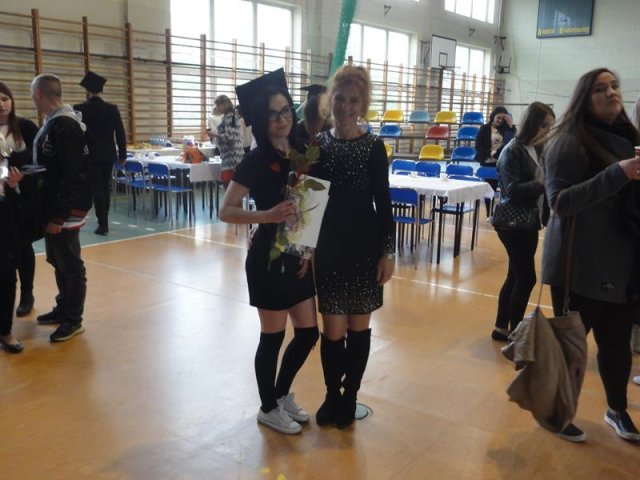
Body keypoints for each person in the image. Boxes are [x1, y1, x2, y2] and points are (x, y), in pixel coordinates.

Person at [542, 68, 640, 442]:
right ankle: (556, 413)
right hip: (578, 266)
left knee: (617, 347)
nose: (611, 92)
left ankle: (617, 410)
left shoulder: (629, 139)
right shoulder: (568, 142)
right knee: (571, 348)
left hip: (622, 264)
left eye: (614, 86)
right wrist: (618, 173)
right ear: (585, 98)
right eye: (600, 89)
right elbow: (560, 202)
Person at [219, 69, 319, 435]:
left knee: (308, 334)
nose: (281, 119)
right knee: (273, 338)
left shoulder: (303, 153)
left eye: (286, 111)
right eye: (273, 114)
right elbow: (226, 210)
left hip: (297, 254)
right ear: (262, 120)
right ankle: (267, 408)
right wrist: (266, 216)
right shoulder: (256, 160)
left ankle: (280, 395)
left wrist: (307, 250)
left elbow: (310, 205)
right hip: (268, 258)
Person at [310, 65, 395, 429]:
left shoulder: (374, 147)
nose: (346, 107)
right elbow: (309, 200)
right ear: (331, 100)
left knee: (358, 329)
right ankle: (332, 394)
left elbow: (384, 202)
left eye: (354, 101)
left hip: (364, 247)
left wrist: (388, 252)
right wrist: (303, 247)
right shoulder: (318, 145)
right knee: (332, 330)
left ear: (363, 105)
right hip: (329, 247)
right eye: (340, 99)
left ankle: (351, 396)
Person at [31, 74, 92, 343]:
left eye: (33, 95)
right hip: (54, 205)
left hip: (66, 208)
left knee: (70, 264)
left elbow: (73, 174)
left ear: (39, 95)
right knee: (57, 260)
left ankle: (73, 319)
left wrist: (58, 215)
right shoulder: (54, 122)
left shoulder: (65, 125)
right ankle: (63, 307)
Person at [491, 102, 555, 342]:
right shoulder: (512, 150)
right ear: (532, 124)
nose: (548, 131)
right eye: (544, 126)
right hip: (513, 223)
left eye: (550, 126)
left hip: (528, 221)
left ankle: (501, 328)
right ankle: (516, 333)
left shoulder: (537, 148)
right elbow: (512, 190)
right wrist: (541, 182)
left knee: (516, 276)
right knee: (527, 278)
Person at [0, 81, 39, 317]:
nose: (1, 104)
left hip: (22, 198)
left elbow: (39, 159)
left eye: (5, 99)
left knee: (23, 246)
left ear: (12, 101)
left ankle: (27, 294)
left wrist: (19, 176)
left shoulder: (25, 126)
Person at [74, 71, 127, 236]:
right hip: (108, 154)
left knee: (96, 188)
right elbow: (120, 133)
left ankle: (102, 224)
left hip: (89, 155)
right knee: (105, 188)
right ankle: (103, 221)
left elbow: (76, 134)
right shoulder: (112, 109)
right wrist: (122, 155)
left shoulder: (79, 109)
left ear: (87, 91)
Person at [0, 166, 25, 353]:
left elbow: (17, 206)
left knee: (8, 281)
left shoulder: (5, 164)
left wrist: (12, 186)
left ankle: (5, 331)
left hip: (5, 231)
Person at [475, 106, 517, 216]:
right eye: (498, 117)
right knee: (490, 188)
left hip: (502, 162)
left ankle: (502, 213)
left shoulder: (507, 129)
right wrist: (490, 153)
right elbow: (478, 146)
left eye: (503, 118)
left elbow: (511, 143)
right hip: (488, 161)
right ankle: (489, 213)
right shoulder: (484, 128)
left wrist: (510, 126)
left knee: (505, 189)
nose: (500, 120)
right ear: (493, 116)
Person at [210, 95, 244, 186]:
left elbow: (230, 137)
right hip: (230, 156)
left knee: (229, 186)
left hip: (232, 157)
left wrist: (214, 134)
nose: (217, 107)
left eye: (218, 105)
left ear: (224, 104)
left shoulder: (230, 116)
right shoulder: (230, 116)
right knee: (229, 186)